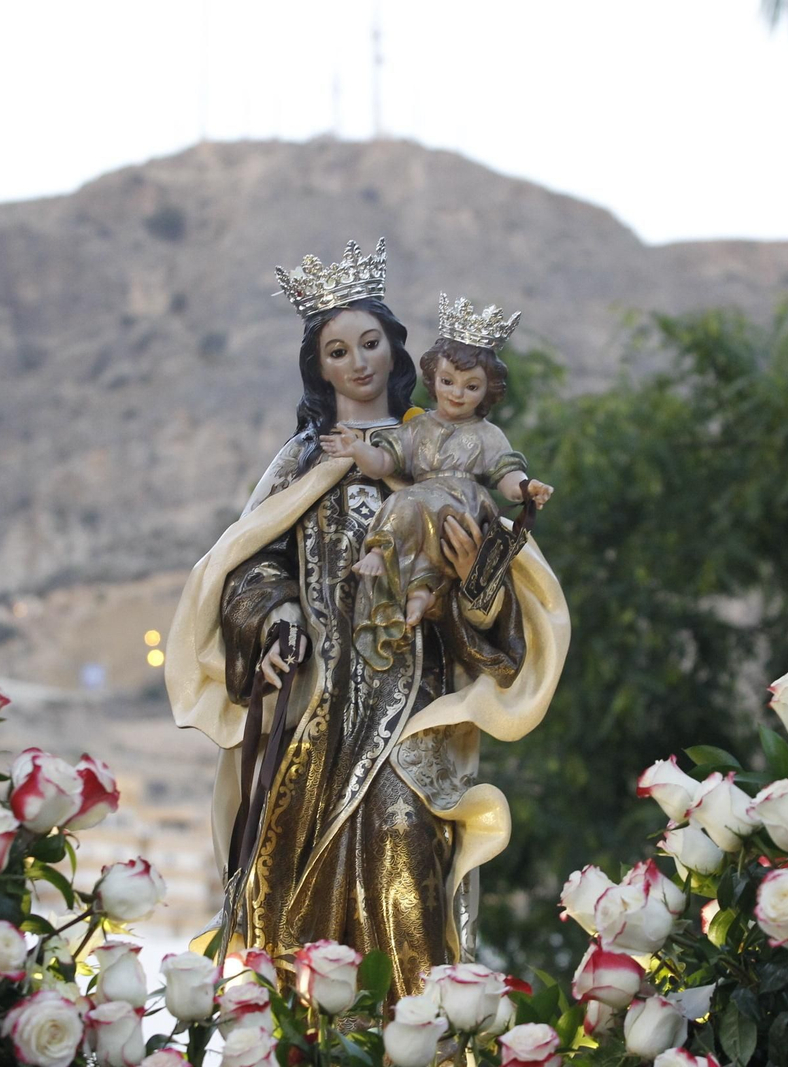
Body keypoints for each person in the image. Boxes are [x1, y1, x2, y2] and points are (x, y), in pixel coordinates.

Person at [166, 240, 569, 996]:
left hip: (411, 708)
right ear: (318, 366)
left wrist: (475, 576)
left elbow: (495, 611)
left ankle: (421, 1038)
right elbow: (248, 564)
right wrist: (275, 618)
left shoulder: (435, 455)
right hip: (314, 716)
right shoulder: (298, 462)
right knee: (291, 903)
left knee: (407, 862)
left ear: (396, 347)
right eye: (337, 350)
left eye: (370, 343)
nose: (357, 362)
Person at [322, 293, 555, 671]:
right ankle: (416, 595)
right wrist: (356, 449)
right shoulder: (417, 427)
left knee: (408, 507)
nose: (456, 394)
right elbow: (383, 463)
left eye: (471, 387)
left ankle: (384, 554)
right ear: (432, 379)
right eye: (447, 381)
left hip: (463, 506)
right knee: (416, 525)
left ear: (487, 391)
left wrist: (527, 489)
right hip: (425, 500)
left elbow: (507, 474)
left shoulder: (488, 434)